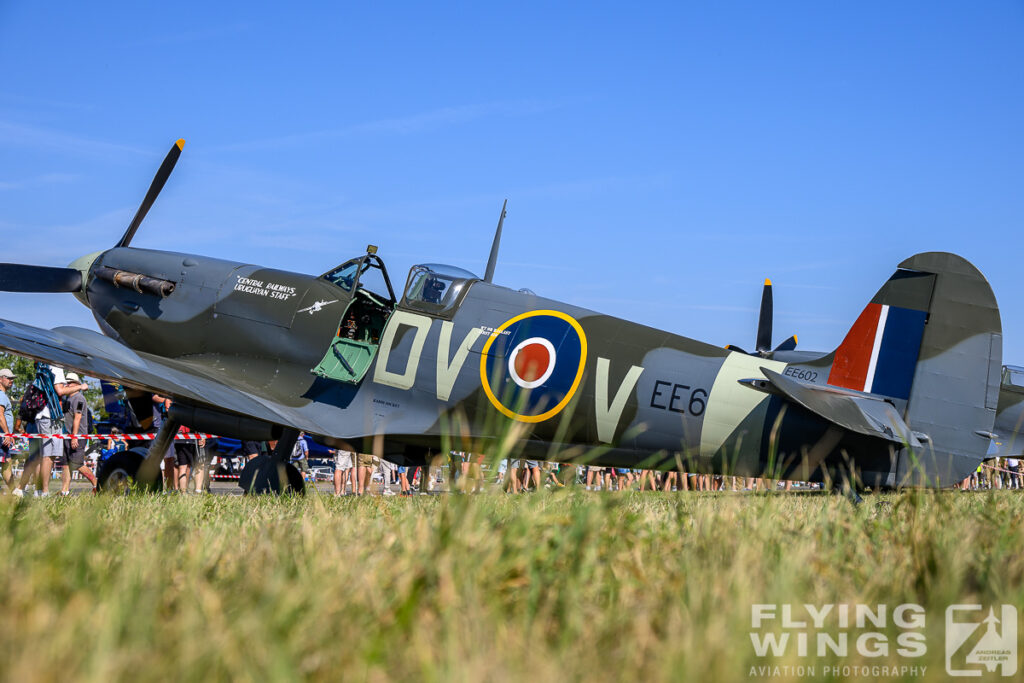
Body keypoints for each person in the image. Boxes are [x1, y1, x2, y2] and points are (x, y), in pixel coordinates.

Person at [13, 364, 84, 498]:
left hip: (39, 418)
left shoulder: (43, 367)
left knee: (40, 456)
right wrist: (82, 386)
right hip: (49, 417)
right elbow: (60, 391)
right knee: (49, 456)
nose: (68, 385)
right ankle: (43, 492)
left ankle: (36, 490)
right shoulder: (56, 367)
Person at [59, 373, 98, 495]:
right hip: (67, 435)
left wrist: (74, 436)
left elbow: (78, 417)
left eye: (70, 382)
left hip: (77, 436)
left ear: (77, 384)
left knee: (76, 464)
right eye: (66, 382)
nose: (67, 384)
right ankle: (64, 492)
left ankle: (96, 484)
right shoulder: (68, 398)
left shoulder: (79, 398)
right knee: (66, 465)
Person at [0, 368, 16, 492]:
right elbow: (0, 415)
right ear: (0, 379)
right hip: (2, 436)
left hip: (4, 436)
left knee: (7, 463)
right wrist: (7, 434)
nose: (11, 380)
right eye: (8, 378)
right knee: (6, 464)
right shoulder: (1, 395)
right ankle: (14, 491)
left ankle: (14, 491)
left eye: (12, 379)